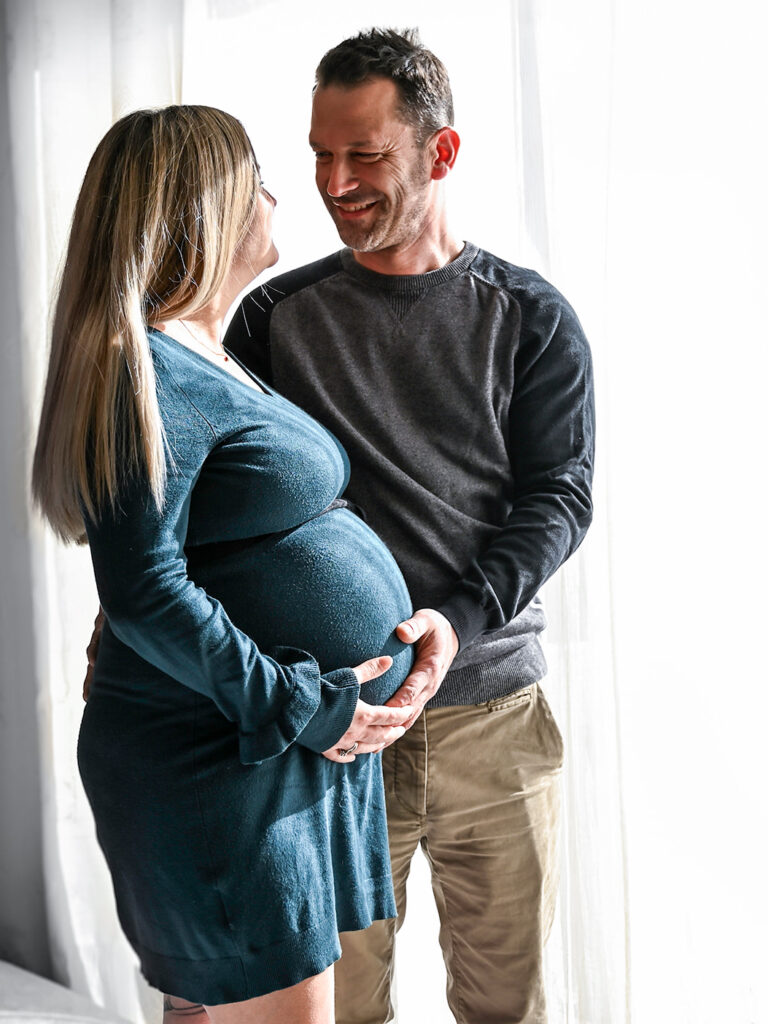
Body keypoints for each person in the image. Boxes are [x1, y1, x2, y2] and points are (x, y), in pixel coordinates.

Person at [223, 28, 595, 1024]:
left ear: (442, 152)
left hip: (498, 731)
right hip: (333, 732)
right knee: (334, 1010)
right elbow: (226, 506)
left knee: (506, 1009)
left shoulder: (530, 317)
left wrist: (457, 621)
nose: (334, 181)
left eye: (365, 154)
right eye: (319, 153)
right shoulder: (271, 319)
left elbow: (560, 496)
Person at [32, 104, 420, 1023]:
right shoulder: (151, 370)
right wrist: (301, 704)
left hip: (261, 755)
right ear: (202, 208)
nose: (279, 194)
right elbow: (145, 590)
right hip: (222, 759)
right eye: (254, 178)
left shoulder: (210, 353)